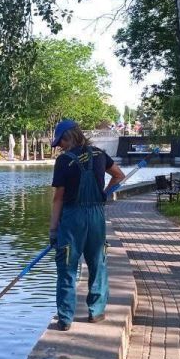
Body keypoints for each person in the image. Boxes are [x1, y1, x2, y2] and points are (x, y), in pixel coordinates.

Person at [49, 119, 126, 331]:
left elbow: (58, 199)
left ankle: (65, 319)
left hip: (73, 218)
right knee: (97, 263)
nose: (60, 148)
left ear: (69, 137)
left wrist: (53, 230)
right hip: (96, 217)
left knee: (67, 268)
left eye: (61, 142)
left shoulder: (64, 161)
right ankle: (96, 312)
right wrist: (104, 193)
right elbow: (119, 175)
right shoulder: (100, 154)